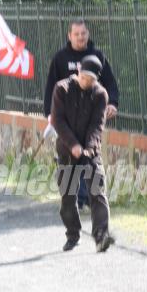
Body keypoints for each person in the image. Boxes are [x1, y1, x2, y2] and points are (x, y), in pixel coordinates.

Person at [44, 20, 119, 210]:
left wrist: (112, 103)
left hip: (91, 116)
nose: (80, 37)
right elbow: (50, 87)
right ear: (69, 36)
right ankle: (74, 197)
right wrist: (50, 115)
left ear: (88, 34)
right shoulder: (60, 58)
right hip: (66, 119)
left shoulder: (97, 56)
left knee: (89, 154)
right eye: (76, 34)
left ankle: (85, 199)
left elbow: (110, 82)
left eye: (83, 33)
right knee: (70, 156)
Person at [51, 55, 114, 253]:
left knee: (98, 193)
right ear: (79, 71)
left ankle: (101, 236)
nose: (87, 82)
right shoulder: (62, 88)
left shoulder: (100, 94)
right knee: (68, 197)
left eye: (92, 79)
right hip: (67, 150)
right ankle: (73, 234)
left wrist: (87, 148)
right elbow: (58, 121)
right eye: (85, 77)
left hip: (90, 151)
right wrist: (73, 145)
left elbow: (97, 125)